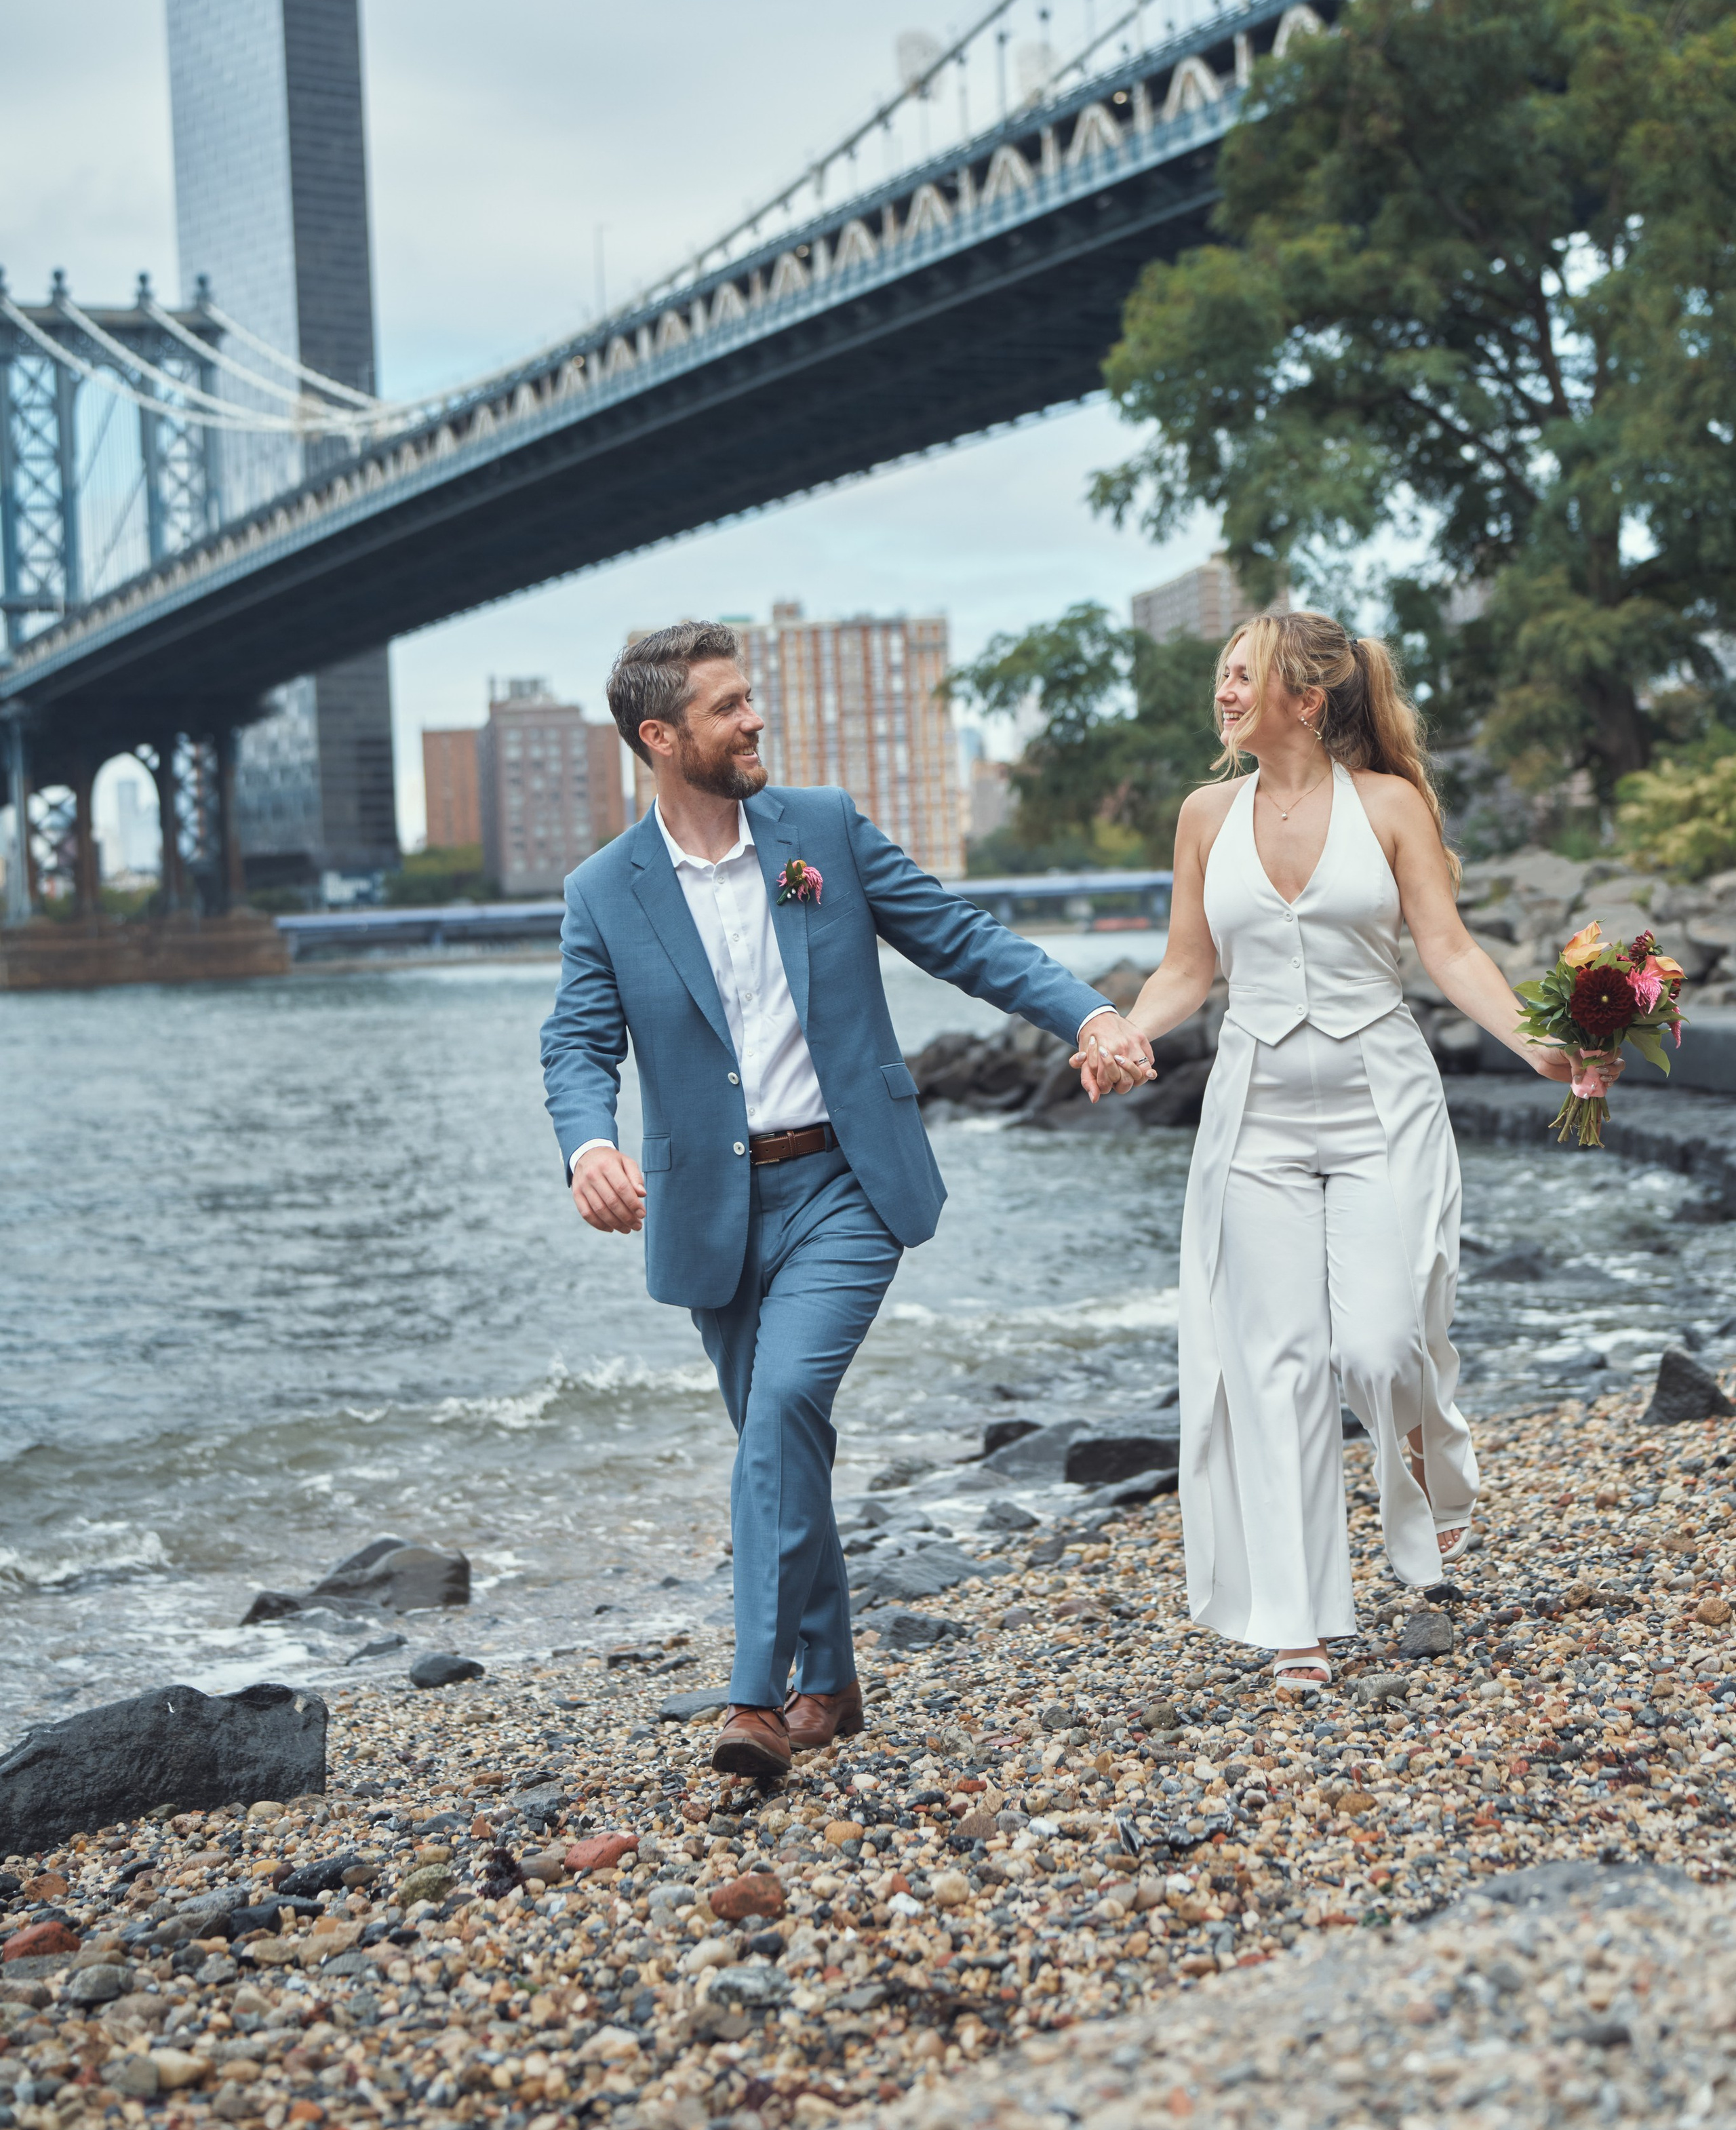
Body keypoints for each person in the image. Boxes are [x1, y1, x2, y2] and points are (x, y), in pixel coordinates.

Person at [540, 621, 1152, 1777]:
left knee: (781, 1412)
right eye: (728, 708)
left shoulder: (821, 829)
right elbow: (576, 1043)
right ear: (662, 738)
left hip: (846, 1183)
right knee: (782, 1440)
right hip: (710, 1211)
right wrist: (585, 1147)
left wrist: (1089, 1012)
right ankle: (832, 1674)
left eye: (751, 698)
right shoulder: (601, 892)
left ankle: (758, 1700)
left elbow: (959, 938)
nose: (755, 719)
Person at [1103, 612, 1602, 1697]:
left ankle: (1427, 1457)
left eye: (1245, 676)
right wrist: (1130, 1031)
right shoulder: (1203, 815)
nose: (1225, 693)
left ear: (1307, 698)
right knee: (1276, 1363)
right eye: (1222, 675)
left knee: (1380, 1349)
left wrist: (1539, 1045)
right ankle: (1299, 1622)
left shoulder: (1389, 805)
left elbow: (1450, 949)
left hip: (1381, 1104)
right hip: (1256, 1119)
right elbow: (1188, 966)